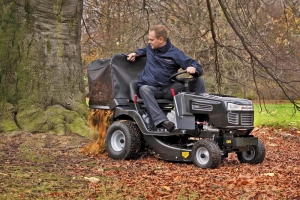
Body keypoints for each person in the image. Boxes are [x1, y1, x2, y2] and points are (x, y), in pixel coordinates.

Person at [127, 25, 205, 132]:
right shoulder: (151, 47)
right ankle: (162, 121)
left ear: (161, 39)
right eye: (148, 39)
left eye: (151, 39)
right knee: (144, 89)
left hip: (167, 88)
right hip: (151, 89)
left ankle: (200, 119)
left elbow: (196, 65)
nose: (149, 42)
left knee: (198, 82)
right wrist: (136, 53)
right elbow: (144, 50)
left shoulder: (175, 53)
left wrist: (194, 68)